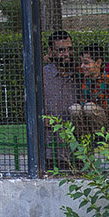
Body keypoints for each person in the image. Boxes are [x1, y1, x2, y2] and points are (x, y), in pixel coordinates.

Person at [42, 30, 79, 169]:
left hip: (78, 149)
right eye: (61, 50)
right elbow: (29, 108)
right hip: (50, 150)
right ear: (51, 52)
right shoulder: (42, 76)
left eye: (69, 49)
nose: (66, 54)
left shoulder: (80, 73)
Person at [69, 43, 109, 137]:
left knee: (89, 107)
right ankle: (82, 139)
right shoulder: (82, 76)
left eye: (86, 63)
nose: (82, 66)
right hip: (85, 119)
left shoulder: (107, 80)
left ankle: (100, 140)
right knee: (74, 108)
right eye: (81, 63)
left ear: (98, 63)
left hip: (103, 121)